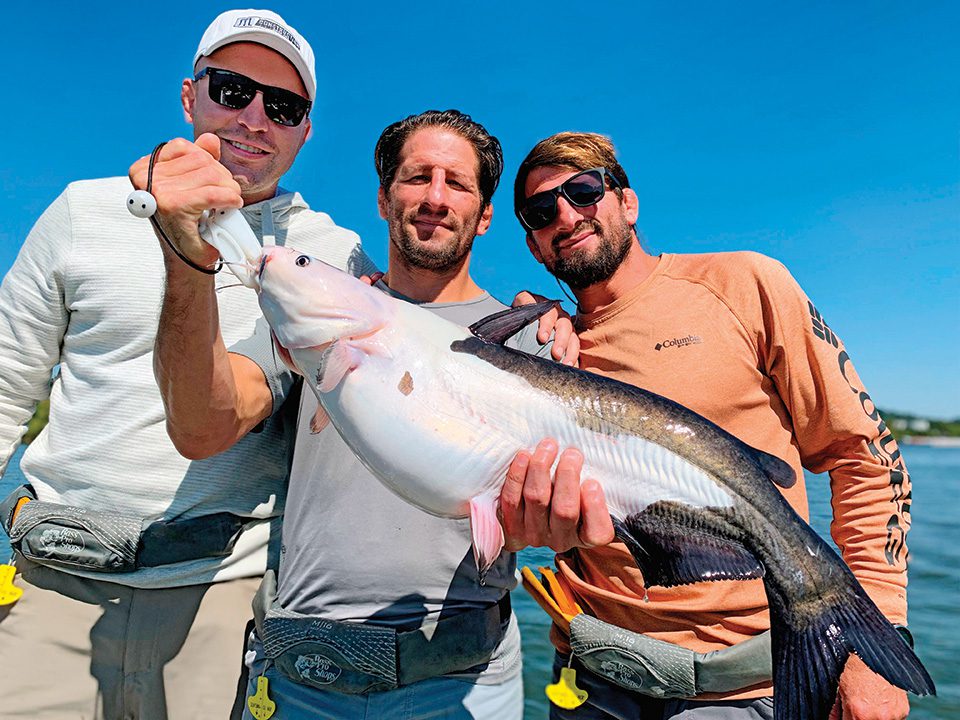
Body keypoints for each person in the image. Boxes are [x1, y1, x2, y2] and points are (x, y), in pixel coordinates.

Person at [141, 108, 590, 719]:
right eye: (415, 178)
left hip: (466, 682)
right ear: (383, 198)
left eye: (456, 183)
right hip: (299, 679)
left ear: (485, 215)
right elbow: (202, 427)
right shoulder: (312, 317)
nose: (434, 198)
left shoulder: (533, 341)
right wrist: (188, 262)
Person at [0, 10, 376, 718]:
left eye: (284, 106)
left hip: (223, 606)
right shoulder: (82, 211)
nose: (255, 117)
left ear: (305, 132)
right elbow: (5, 384)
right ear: (189, 94)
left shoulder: (335, 258)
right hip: (51, 591)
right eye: (233, 89)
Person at [510, 131, 914, 720]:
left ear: (627, 201)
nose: (566, 215)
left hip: (740, 691)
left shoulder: (745, 285)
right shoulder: (544, 347)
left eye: (584, 190)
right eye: (542, 211)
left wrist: (876, 642)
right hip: (588, 684)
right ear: (533, 243)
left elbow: (864, 457)